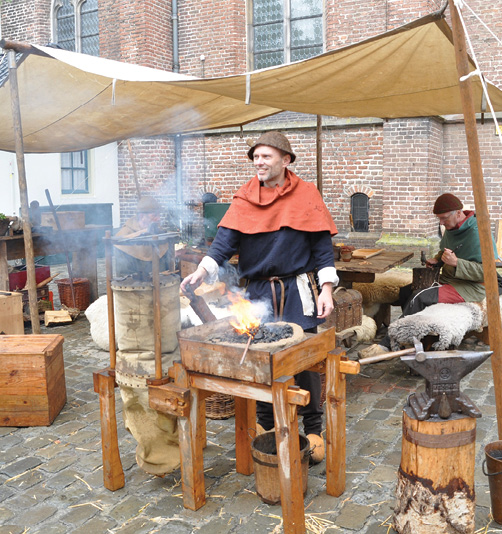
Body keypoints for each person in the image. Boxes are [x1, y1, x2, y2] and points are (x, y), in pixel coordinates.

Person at [181, 131, 339, 464]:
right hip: (257, 292)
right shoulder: (244, 198)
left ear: (286, 160)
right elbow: (223, 245)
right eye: (256, 157)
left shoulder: (307, 195)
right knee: (260, 360)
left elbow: (322, 250)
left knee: (305, 359)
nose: (259, 162)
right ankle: (267, 423)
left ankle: (313, 427)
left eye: (266, 156)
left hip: (296, 290)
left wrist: (326, 289)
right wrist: (202, 272)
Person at [359, 193, 499, 358]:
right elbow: (447, 250)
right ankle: (413, 337)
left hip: (472, 287)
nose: (441, 222)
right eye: (439, 219)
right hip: (449, 280)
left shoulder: (479, 233)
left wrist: (456, 263)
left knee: (420, 296)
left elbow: (487, 273)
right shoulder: (452, 227)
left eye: (444, 218)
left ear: (458, 213)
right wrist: (438, 260)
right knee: (406, 292)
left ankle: (388, 344)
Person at [114, 196, 170, 276]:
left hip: (161, 284)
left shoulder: (159, 232)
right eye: (154, 215)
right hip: (134, 285)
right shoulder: (125, 234)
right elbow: (124, 276)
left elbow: (166, 269)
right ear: (141, 216)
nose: (158, 218)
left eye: (159, 215)